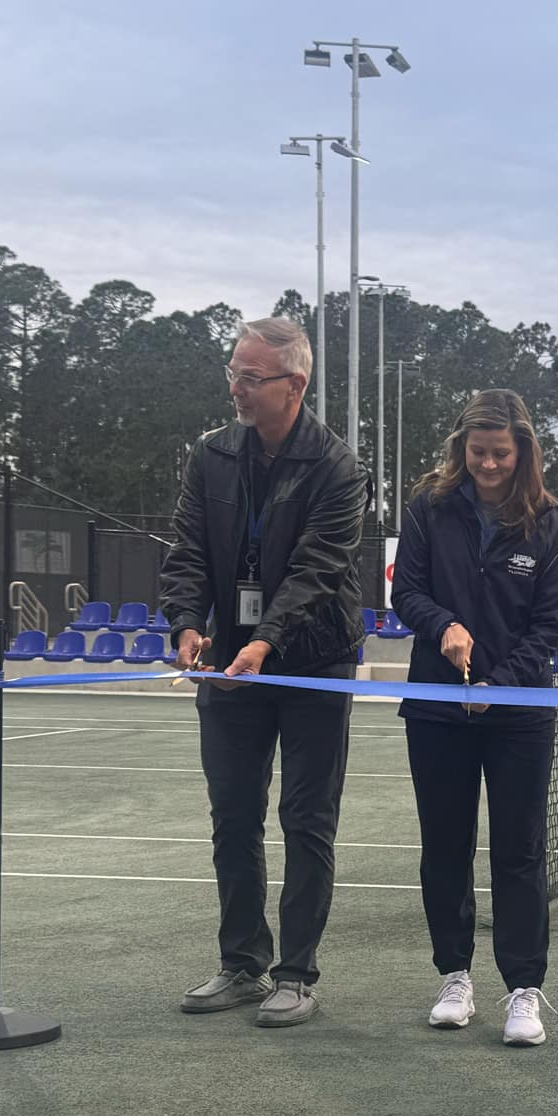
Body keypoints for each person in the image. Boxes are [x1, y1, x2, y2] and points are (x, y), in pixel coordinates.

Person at [162, 316, 368, 1028]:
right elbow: (187, 546)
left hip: (314, 660)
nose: (236, 388)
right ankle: (242, 962)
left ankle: (296, 974)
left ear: (295, 385)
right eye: (233, 372)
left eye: (251, 377)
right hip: (227, 662)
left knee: (307, 818)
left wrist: (266, 644)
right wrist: (187, 624)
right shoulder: (212, 455)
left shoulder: (338, 467)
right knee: (234, 817)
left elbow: (318, 570)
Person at [391, 390, 558, 1047]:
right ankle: (455, 976)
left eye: (501, 453)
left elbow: (550, 624)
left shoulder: (549, 521)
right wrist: (444, 627)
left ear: (522, 450)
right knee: (444, 846)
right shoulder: (428, 508)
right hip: (437, 708)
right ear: (461, 449)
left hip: (520, 713)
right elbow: (405, 590)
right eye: (478, 453)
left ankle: (523, 990)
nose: (489, 464)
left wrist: (499, 684)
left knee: (520, 850)